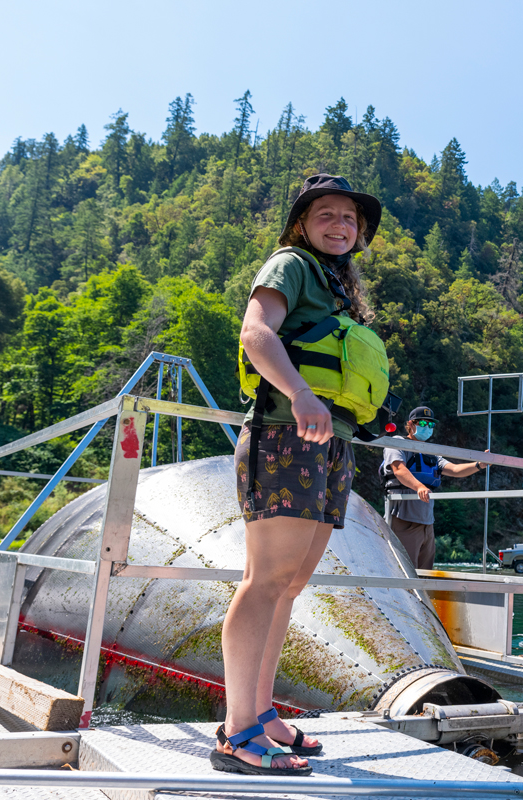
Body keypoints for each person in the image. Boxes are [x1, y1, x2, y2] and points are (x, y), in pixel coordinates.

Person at [221, 174, 383, 775]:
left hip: (329, 443)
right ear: (302, 224)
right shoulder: (290, 263)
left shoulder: (338, 288)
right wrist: (298, 393)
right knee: (265, 581)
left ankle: (261, 714)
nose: (339, 225)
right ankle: (237, 734)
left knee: (289, 586)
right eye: (326, 215)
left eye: (350, 218)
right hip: (287, 435)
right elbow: (256, 332)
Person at [381, 406, 486, 570]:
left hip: (427, 521)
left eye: (431, 425)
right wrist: (419, 487)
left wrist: (480, 464)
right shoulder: (397, 443)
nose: (427, 427)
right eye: (423, 423)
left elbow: (455, 470)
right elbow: (399, 469)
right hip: (403, 516)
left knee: (425, 572)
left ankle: (423, 597)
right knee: (404, 570)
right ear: (411, 424)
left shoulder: (432, 453)